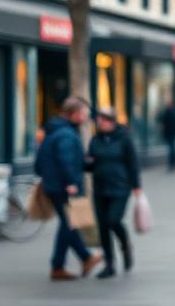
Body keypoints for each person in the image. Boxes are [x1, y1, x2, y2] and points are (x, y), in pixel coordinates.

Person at [34, 97, 102, 281]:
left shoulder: (55, 130)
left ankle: (66, 264)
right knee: (70, 224)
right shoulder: (66, 134)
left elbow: (41, 163)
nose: (87, 117)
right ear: (75, 113)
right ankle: (76, 260)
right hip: (65, 187)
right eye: (85, 113)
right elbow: (66, 160)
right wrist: (71, 183)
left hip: (55, 185)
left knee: (68, 224)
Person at [87, 107, 141, 279]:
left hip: (120, 187)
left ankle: (125, 245)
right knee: (103, 226)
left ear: (111, 121)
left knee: (114, 220)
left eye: (103, 120)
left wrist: (136, 186)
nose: (100, 123)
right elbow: (90, 163)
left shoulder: (124, 139)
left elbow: (133, 163)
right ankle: (109, 264)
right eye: (99, 121)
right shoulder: (95, 140)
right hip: (100, 188)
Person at [158, 100, 175, 171]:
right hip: (171, 134)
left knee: (171, 149)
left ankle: (172, 163)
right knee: (172, 149)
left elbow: (162, 120)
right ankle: (173, 163)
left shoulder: (170, 113)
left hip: (171, 134)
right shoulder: (172, 112)